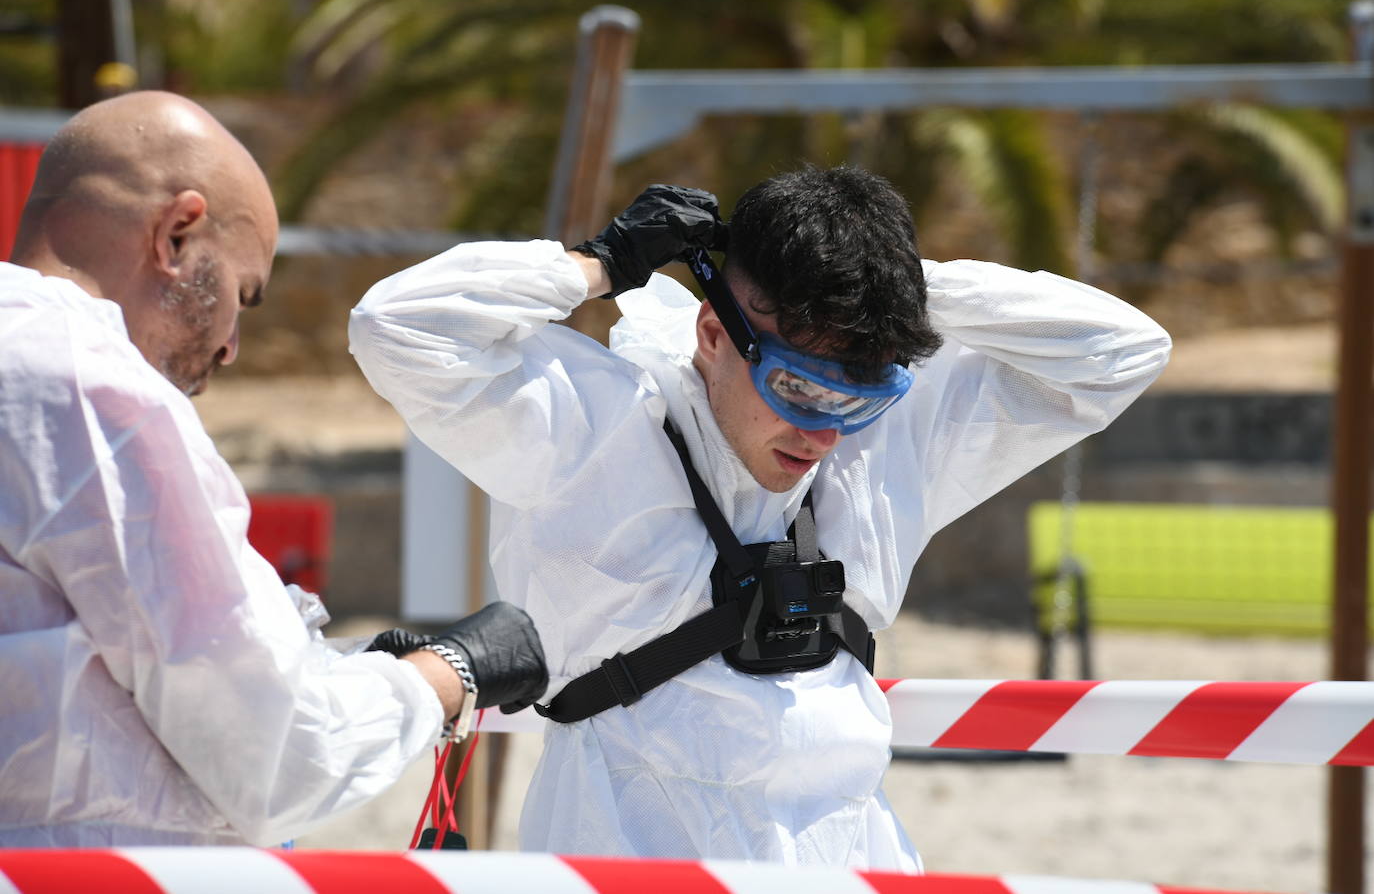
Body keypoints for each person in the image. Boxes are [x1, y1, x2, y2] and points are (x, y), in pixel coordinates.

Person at [348, 166, 1171, 869]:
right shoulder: (590, 432)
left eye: (857, 398)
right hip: (628, 861)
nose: (821, 434)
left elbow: (1121, 354)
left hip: (854, 859)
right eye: (799, 389)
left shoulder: (880, 446)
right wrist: (598, 265)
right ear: (713, 332)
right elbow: (399, 328)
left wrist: (894, 282)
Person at [0, 90, 547, 847]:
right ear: (177, 234)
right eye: (243, 295)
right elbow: (275, 754)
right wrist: (449, 674)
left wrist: (333, 672)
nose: (230, 346)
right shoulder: (90, 389)